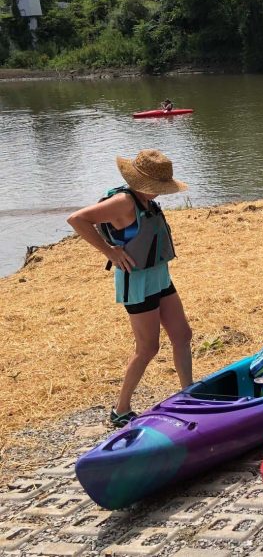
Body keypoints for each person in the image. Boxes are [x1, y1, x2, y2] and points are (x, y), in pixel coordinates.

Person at [66, 150, 193, 428]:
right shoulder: (123, 202)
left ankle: (189, 394)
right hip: (137, 282)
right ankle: (120, 409)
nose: (161, 191)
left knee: (183, 335)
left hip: (159, 275)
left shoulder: (144, 199)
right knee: (148, 348)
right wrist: (109, 251)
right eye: (158, 186)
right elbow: (77, 219)